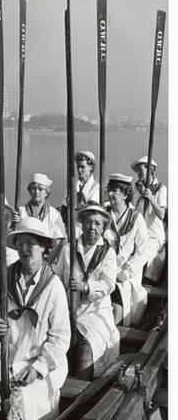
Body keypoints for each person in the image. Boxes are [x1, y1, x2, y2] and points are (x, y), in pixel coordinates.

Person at [0, 217, 70, 420]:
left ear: (44, 248)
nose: (24, 249)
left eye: (30, 243)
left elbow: (60, 339)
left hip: (36, 365)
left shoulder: (53, 286)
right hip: (5, 360)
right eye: (20, 243)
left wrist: (38, 368)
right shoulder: (5, 279)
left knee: (18, 408)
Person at [55, 204, 119, 380]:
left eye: (98, 224)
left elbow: (109, 284)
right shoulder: (69, 249)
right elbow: (57, 277)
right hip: (69, 309)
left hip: (94, 312)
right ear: (82, 224)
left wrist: (86, 287)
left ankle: (81, 389)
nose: (93, 227)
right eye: (89, 222)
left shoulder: (108, 253)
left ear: (103, 228)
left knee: (88, 344)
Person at [105, 174, 149, 327]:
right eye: (109, 190)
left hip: (125, 271)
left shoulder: (136, 218)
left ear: (125, 194)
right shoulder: (103, 214)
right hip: (104, 267)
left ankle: (113, 330)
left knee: (118, 293)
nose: (110, 194)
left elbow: (143, 251)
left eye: (114, 190)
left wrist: (126, 273)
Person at [12, 173, 67, 264]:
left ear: (46, 193)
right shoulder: (20, 212)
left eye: (40, 189)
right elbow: (13, 239)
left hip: (49, 260)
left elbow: (60, 241)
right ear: (30, 191)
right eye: (34, 188)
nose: (37, 192)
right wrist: (15, 223)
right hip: (25, 259)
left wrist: (47, 262)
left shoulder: (54, 214)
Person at [131, 156, 167, 284]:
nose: (138, 174)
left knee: (144, 254)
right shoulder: (137, 188)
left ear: (150, 170)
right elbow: (133, 209)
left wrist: (151, 199)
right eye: (137, 171)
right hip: (139, 233)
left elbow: (162, 214)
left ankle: (144, 284)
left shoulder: (161, 188)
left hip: (153, 236)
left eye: (141, 171)